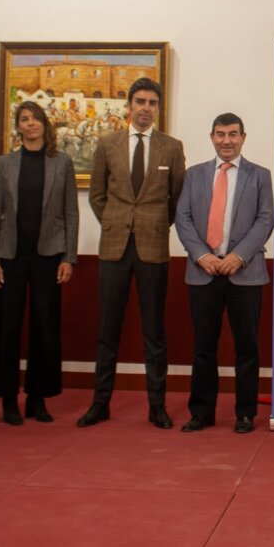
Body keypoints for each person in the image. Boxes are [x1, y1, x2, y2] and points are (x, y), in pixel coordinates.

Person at [77, 77, 185, 430]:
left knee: (154, 332)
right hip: (114, 247)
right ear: (129, 105)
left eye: (152, 103)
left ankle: (157, 407)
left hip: (153, 247)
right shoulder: (107, 144)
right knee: (108, 331)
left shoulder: (172, 147)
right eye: (140, 102)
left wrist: (154, 225)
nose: (145, 108)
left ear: (158, 107)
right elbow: (97, 195)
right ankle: (100, 404)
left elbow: (177, 199)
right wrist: (114, 222)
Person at [174, 112, 274, 434]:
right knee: (203, 347)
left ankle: (245, 413)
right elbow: (183, 217)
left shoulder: (260, 175)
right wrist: (202, 255)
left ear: (243, 137)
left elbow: (266, 219)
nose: (226, 140)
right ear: (212, 137)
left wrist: (238, 256)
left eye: (232, 134)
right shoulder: (194, 175)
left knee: (247, 348)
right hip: (203, 271)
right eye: (220, 134)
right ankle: (202, 412)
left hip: (245, 273)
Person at [0, 101, 78, 426]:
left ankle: (38, 398)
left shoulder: (62, 162)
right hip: (9, 257)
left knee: (44, 327)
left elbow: (70, 213)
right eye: (24, 119)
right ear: (18, 126)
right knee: (7, 328)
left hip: (48, 256)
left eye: (35, 118)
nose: (30, 124)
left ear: (44, 124)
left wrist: (69, 257)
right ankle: (8, 398)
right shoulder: (5, 163)